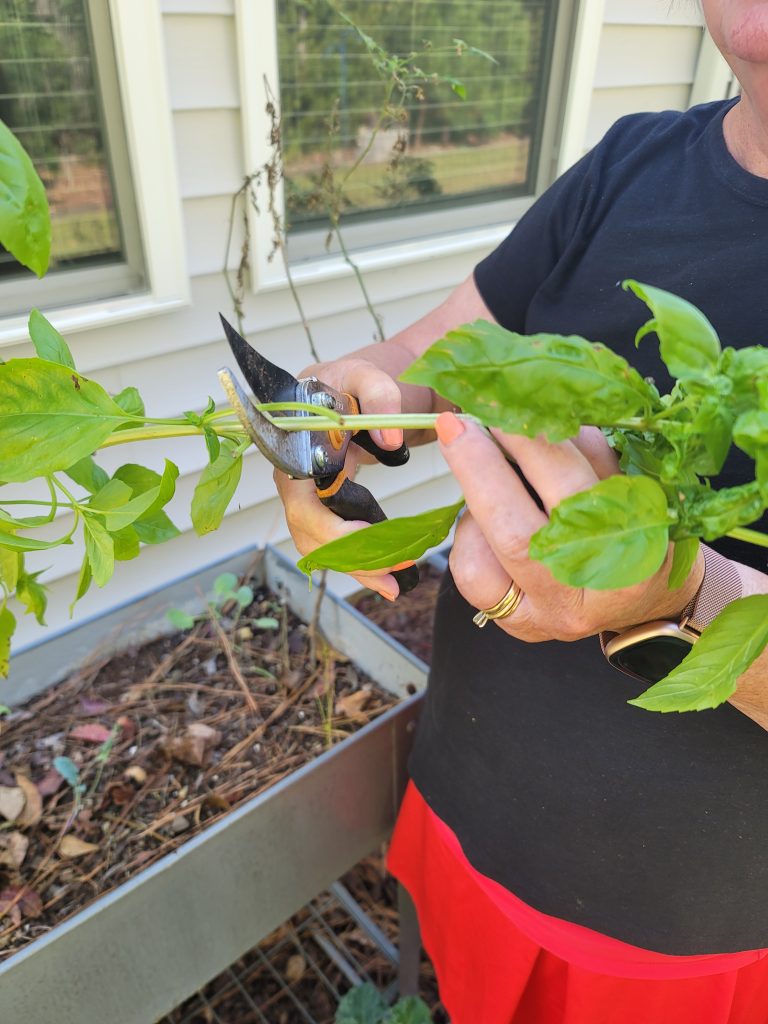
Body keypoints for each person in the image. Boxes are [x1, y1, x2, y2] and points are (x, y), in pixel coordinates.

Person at [275, 3, 768, 1020]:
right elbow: (440, 354)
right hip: (476, 806)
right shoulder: (636, 159)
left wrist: (682, 593)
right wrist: (331, 413)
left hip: (680, 930)